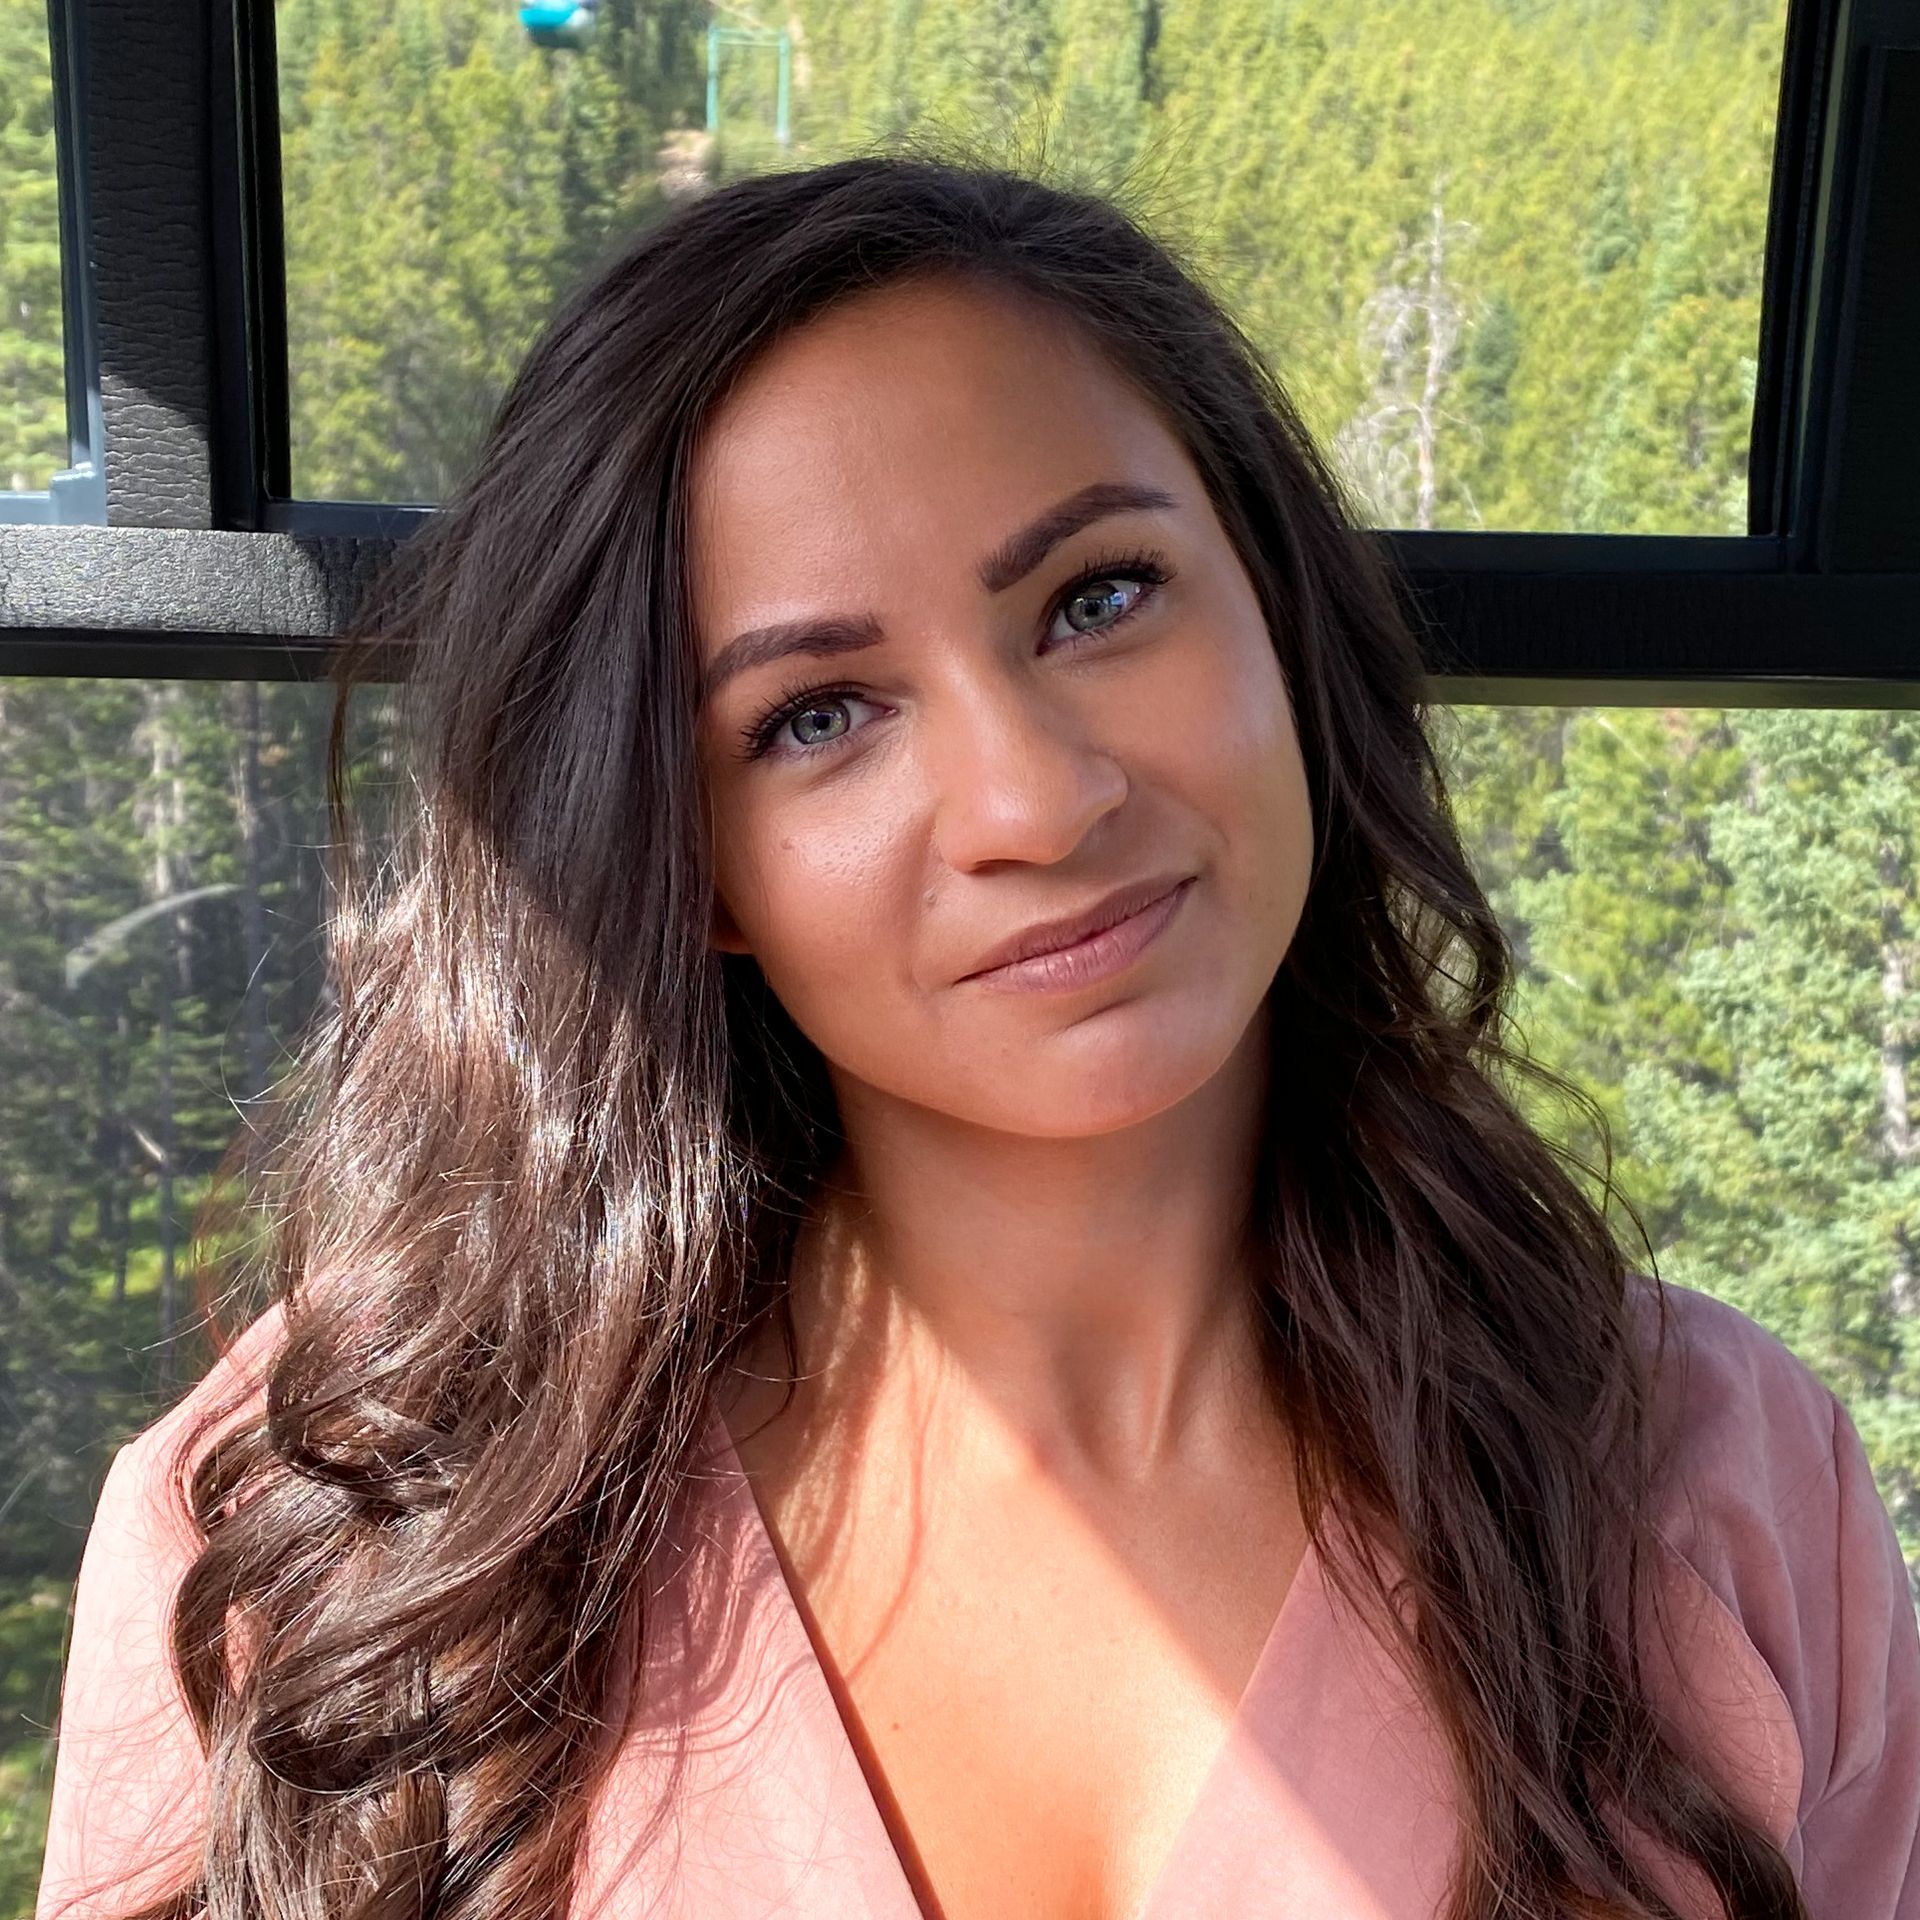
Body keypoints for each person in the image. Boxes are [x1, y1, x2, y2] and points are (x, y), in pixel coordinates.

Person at [33, 152, 1920, 1920]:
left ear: (1275, 609)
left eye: (1099, 598)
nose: (1036, 796)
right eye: (817, 715)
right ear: (687, 868)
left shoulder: (1729, 1480)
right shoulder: (320, 1545)